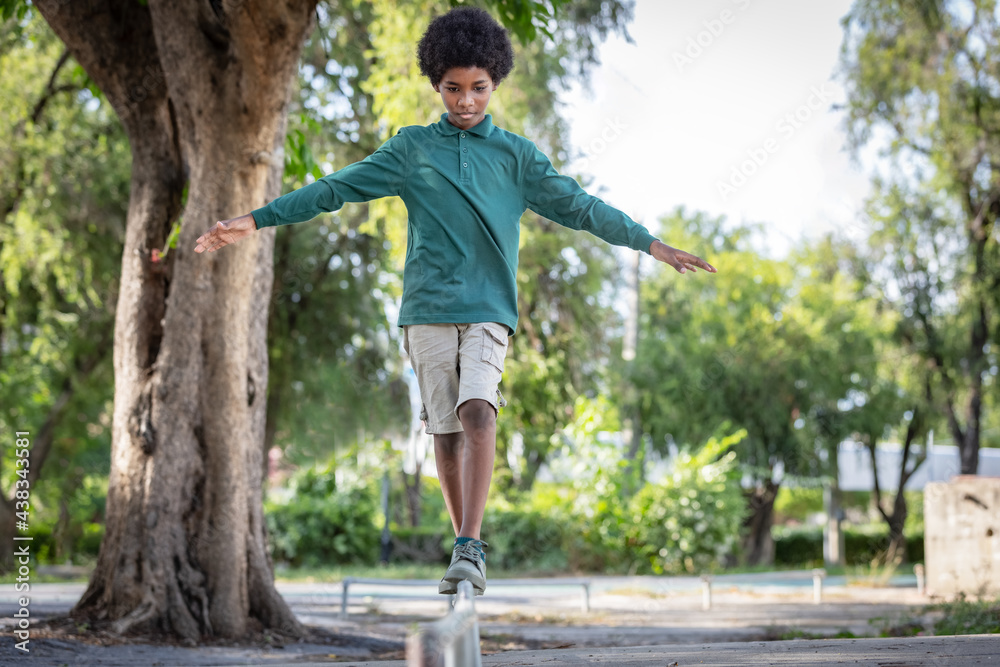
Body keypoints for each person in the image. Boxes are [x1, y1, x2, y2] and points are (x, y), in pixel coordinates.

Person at [194, 6, 716, 596]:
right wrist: (255, 219)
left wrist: (650, 244)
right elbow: (335, 188)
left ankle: (471, 544)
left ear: (495, 83)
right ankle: (461, 547)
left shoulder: (517, 157)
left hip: (489, 308)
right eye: (453, 88)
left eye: (478, 88)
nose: (466, 101)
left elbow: (581, 207)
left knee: (477, 411)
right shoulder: (412, 149)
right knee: (444, 430)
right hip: (427, 309)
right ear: (436, 84)